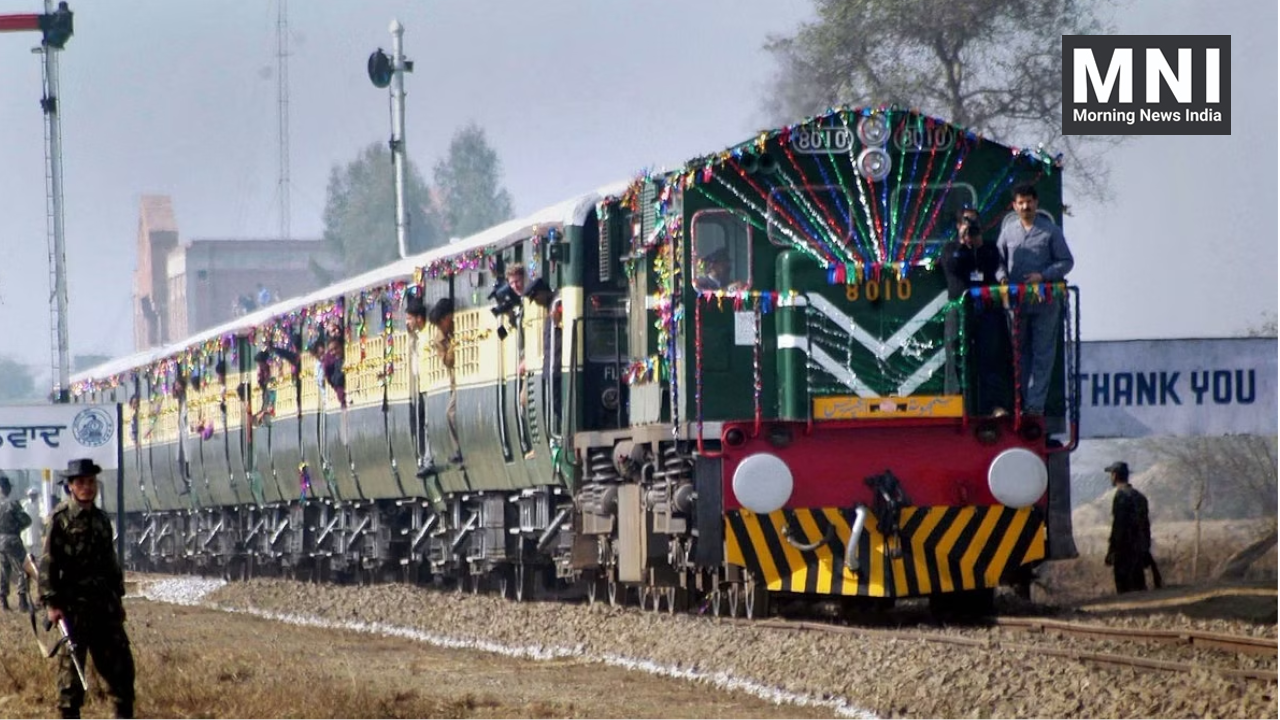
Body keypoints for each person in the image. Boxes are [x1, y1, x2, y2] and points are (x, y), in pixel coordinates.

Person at [39, 459, 136, 719]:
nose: (87, 487)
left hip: (104, 608)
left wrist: (118, 599)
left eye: (91, 482)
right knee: (70, 683)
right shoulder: (60, 520)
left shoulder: (102, 520)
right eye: (80, 482)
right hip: (73, 610)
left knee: (122, 675)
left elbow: (110, 562)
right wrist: (52, 604)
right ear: (70, 487)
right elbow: (47, 563)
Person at [995, 184, 1074, 416]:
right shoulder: (1008, 231)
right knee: (1018, 354)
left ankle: (1034, 407)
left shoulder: (1051, 231)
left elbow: (1066, 262)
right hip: (1015, 304)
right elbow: (998, 262)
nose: (1025, 206)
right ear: (1014, 205)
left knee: (1043, 354)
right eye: (1020, 202)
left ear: (1036, 203)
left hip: (1045, 303)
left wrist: (1043, 276)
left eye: (1029, 201)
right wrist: (1002, 280)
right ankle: (1018, 403)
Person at [942, 207, 1011, 416]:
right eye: (965, 221)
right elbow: (954, 266)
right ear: (957, 225)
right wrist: (964, 244)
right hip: (959, 308)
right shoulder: (950, 248)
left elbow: (992, 265)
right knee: (955, 355)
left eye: (974, 223)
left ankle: (993, 405)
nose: (970, 227)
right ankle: (954, 405)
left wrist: (978, 245)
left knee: (990, 356)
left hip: (986, 309)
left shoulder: (989, 248)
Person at [1104, 461, 1152, 594]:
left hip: (1124, 550)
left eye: (1111, 474)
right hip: (1139, 548)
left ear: (1114, 475)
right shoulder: (1140, 496)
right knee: (1139, 587)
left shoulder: (1120, 496)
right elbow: (1146, 526)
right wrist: (1146, 549)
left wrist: (1112, 550)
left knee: (1125, 592)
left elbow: (1118, 526)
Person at [428, 298, 463, 464]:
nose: (441, 326)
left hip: (466, 377)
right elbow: (448, 362)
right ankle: (458, 449)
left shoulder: (460, 326)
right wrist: (453, 346)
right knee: (450, 413)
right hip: (456, 380)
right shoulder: (439, 340)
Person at [0, 473, 33, 612]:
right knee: (23, 569)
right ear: (6, 488)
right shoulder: (11, 504)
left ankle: (3, 602)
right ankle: (22, 601)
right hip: (12, 539)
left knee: (4, 571)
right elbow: (27, 520)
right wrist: (18, 527)